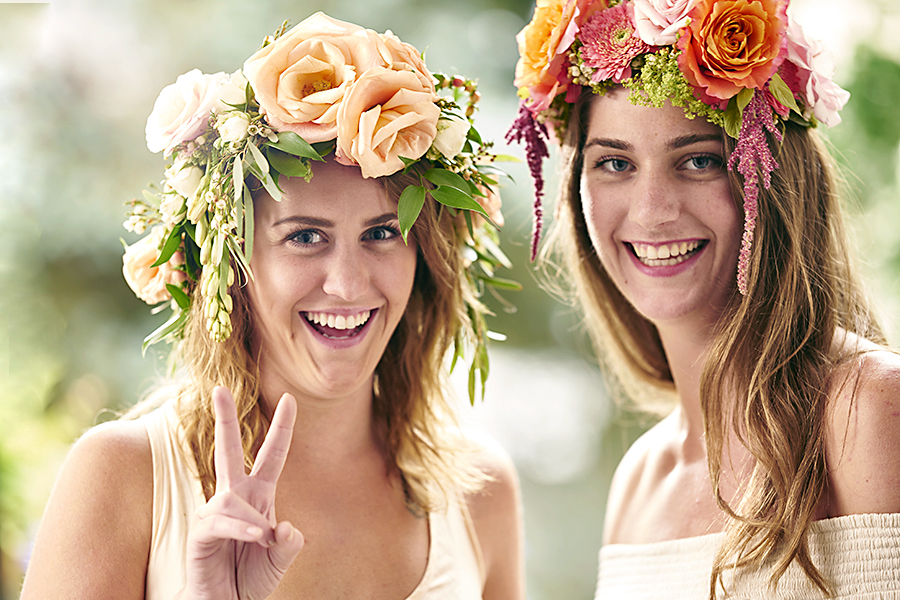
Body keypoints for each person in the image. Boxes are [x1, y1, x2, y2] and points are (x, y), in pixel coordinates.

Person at [21, 12, 524, 600]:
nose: (347, 283)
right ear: (235, 262)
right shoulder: (124, 477)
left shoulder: (481, 493)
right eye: (305, 237)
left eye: (383, 232)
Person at [508, 0, 900, 598]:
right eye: (614, 163)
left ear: (775, 177)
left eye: (698, 160)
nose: (651, 212)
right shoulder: (638, 481)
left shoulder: (867, 409)